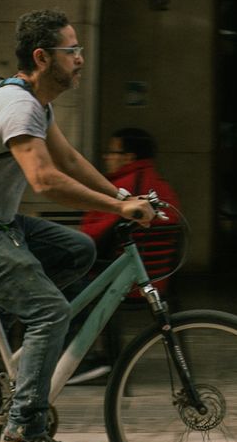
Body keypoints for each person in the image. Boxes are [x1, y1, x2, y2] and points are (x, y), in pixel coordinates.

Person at [0, 8, 155, 442]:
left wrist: (122, 196)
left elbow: (69, 160)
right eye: (72, 51)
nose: (81, 58)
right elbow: (45, 179)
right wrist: (119, 210)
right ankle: (24, 436)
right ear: (43, 58)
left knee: (78, 250)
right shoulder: (18, 105)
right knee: (51, 312)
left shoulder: (34, 103)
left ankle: (10, 337)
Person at [68, 127, 181, 385]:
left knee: (62, 284)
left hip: (123, 283)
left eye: (112, 152)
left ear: (128, 157)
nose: (106, 157)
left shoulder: (123, 189)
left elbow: (90, 238)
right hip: (157, 281)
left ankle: (74, 360)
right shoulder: (161, 186)